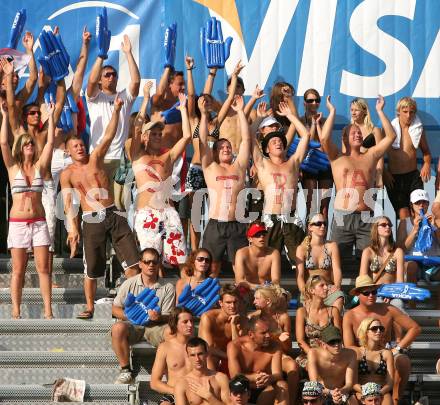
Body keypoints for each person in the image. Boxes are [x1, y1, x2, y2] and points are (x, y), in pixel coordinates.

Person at [60, 97, 140, 319]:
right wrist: (72, 229)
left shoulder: (95, 158)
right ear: (68, 152)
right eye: (75, 146)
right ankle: (90, 307)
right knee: (92, 268)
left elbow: (109, 135)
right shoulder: (67, 175)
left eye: (82, 144)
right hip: (91, 218)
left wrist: (115, 110)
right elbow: (68, 203)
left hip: (113, 212)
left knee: (133, 263)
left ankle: (131, 304)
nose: (80, 147)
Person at [319, 95, 396, 266]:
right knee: (333, 262)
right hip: (342, 217)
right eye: (353, 133)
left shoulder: (370, 156)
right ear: (345, 138)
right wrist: (332, 112)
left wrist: (380, 111)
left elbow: (391, 137)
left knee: (370, 263)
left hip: (366, 218)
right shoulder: (337, 157)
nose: (358, 135)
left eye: (360, 133)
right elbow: (324, 139)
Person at [1, 99, 55, 319]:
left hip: (39, 222)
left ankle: (48, 310)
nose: (29, 146)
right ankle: (16, 309)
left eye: (31, 143)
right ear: (20, 148)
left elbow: (50, 143)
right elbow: (4, 144)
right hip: (18, 224)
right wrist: (5, 116)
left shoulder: (40, 166)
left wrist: (50, 117)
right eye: (25, 144)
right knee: (18, 270)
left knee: (43, 268)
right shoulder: (12, 167)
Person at [186, 59, 244, 250]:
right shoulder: (195, 119)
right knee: (195, 212)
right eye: (203, 102)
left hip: (213, 171)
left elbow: (228, 101)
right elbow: (193, 95)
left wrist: (234, 76)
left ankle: (218, 243)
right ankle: (195, 249)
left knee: (217, 209)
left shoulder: (216, 122)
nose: (206, 103)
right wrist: (189, 70)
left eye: (208, 101)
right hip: (196, 168)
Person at [131, 92, 191, 268]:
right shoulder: (137, 155)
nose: (157, 136)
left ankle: (183, 293)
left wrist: (184, 110)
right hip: (146, 212)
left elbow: (187, 137)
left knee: (180, 260)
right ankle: (151, 293)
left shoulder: (168, 155)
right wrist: (145, 102)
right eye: (153, 133)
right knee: (150, 260)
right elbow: (136, 127)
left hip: (168, 211)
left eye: (159, 133)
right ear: (144, 136)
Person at [343, 275, 421, 404]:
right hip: (361, 358)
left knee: (403, 360)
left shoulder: (388, 309)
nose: (371, 295)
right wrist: (369, 353)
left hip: (386, 354)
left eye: (374, 292)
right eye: (366, 292)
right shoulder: (349, 315)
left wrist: (398, 348)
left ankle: (395, 399)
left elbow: (415, 328)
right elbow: (349, 347)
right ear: (357, 294)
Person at [251, 100, 310, 267]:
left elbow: (305, 135)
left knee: (301, 262)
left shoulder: (293, 163)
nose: (277, 142)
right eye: (273, 141)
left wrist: (291, 116)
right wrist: (259, 119)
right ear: (267, 149)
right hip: (270, 219)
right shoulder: (262, 164)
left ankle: (304, 292)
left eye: (280, 141)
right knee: (266, 263)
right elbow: (248, 136)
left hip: (291, 218)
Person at [86, 34, 140, 209]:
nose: (111, 77)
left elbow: (136, 81)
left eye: (114, 75)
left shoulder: (124, 96)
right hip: (98, 158)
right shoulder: (94, 98)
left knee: (121, 206)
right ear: (101, 80)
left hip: (120, 159)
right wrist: (101, 57)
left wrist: (128, 53)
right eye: (107, 75)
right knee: (99, 204)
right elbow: (91, 81)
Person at [199, 95, 251, 277]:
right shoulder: (210, 167)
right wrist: (204, 115)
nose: (226, 149)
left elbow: (245, 140)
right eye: (221, 147)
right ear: (214, 153)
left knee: (240, 268)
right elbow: (203, 141)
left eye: (228, 147)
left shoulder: (239, 167)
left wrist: (240, 113)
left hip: (238, 224)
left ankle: (242, 300)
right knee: (212, 268)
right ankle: (209, 301)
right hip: (216, 224)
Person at [111, 248, 175, 384]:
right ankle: (125, 371)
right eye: (147, 262)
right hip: (133, 325)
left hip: (156, 326)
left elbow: (169, 316)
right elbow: (115, 308)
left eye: (154, 262)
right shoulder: (129, 283)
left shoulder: (168, 287)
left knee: (171, 332)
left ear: (159, 264)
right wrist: (130, 316)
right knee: (117, 328)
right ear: (140, 264)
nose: (151, 265)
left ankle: (170, 373)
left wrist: (159, 317)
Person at [249, 286, 300, 402]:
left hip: (279, 354)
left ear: (267, 301)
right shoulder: (253, 317)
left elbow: (289, 349)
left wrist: (283, 341)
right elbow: (252, 343)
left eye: (257, 298)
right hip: (261, 354)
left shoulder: (282, 317)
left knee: (293, 366)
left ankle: (291, 401)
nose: (253, 301)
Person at [384, 97, 432, 220]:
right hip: (394, 179)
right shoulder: (389, 130)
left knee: (417, 214)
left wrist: (426, 164)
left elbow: (426, 152)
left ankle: (420, 239)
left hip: (413, 178)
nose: (408, 115)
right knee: (404, 216)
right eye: (405, 112)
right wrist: (385, 172)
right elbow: (377, 153)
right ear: (398, 112)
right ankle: (404, 240)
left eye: (412, 112)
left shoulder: (417, 130)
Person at [227, 317, 289, 405]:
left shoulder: (275, 346)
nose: (268, 335)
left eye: (268, 331)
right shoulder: (235, 346)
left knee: (282, 385)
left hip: (264, 391)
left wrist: (268, 378)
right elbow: (234, 376)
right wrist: (255, 377)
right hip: (241, 390)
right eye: (263, 333)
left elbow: (278, 374)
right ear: (251, 334)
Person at [295, 213, 344, 312]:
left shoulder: (331, 246)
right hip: (310, 289)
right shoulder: (302, 249)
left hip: (327, 288)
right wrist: (304, 292)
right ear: (310, 227)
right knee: (309, 308)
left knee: (339, 298)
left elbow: (337, 270)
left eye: (324, 224)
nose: (322, 226)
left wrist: (337, 286)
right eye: (318, 223)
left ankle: (335, 326)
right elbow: (299, 275)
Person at [295, 275, 342, 369]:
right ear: (312, 290)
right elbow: (300, 340)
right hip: (308, 354)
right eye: (322, 285)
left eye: (327, 285)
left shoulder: (333, 311)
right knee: (313, 365)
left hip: (330, 353)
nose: (326, 288)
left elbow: (338, 336)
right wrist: (312, 354)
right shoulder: (302, 312)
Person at [199, 284, 248, 372]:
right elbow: (207, 347)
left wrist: (233, 325)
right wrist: (230, 356)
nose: (232, 306)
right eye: (228, 302)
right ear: (221, 303)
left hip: (231, 358)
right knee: (209, 357)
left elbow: (238, 348)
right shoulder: (208, 317)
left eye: (235, 302)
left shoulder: (242, 320)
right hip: (215, 356)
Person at [300, 88, 333, 219]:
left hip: (324, 164)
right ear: (304, 103)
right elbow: (308, 142)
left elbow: (325, 143)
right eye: (310, 100)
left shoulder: (324, 121)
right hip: (308, 166)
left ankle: (322, 239)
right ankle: (309, 239)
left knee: (324, 208)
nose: (314, 103)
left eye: (317, 100)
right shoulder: (300, 121)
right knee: (311, 206)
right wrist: (313, 124)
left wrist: (318, 123)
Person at [151, 307, 194, 405]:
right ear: (175, 324)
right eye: (185, 322)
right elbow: (154, 383)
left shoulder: (199, 346)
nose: (190, 325)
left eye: (191, 321)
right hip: (173, 393)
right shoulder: (165, 347)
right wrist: (178, 391)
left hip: (196, 393)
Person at [360, 217, 404, 309]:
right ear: (376, 228)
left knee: (398, 304)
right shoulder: (368, 251)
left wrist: (391, 294)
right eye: (384, 225)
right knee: (377, 304)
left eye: (389, 225)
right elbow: (362, 280)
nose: (387, 227)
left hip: (393, 293)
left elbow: (400, 281)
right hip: (374, 293)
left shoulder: (398, 251)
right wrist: (373, 293)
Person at [307, 325, 357, 405]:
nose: (336, 345)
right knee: (311, 398)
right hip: (321, 392)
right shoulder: (313, 353)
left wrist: (339, 392)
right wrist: (331, 392)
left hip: (342, 391)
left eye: (339, 341)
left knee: (353, 401)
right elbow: (314, 382)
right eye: (332, 342)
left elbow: (349, 383)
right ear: (323, 344)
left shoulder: (350, 354)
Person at [174, 337, 230, 405]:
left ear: (207, 354)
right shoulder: (182, 384)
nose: (197, 359)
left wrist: (209, 397)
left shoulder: (221, 378)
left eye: (200, 354)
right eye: (192, 355)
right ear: (188, 357)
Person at [343, 98, 384, 188]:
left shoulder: (375, 131)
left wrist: (379, 176)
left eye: (356, 110)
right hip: (352, 173)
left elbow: (380, 156)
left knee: (368, 201)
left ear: (365, 111)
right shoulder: (346, 130)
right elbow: (344, 154)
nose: (353, 113)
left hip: (370, 172)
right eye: (352, 110)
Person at [351, 318, 394, 405]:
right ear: (366, 331)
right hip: (361, 390)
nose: (378, 331)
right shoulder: (357, 353)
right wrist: (367, 392)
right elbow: (354, 383)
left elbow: (390, 383)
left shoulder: (387, 353)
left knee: (387, 401)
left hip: (382, 391)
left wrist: (378, 393)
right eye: (374, 329)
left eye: (381, 329)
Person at [234, 221, 281, 289]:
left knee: (283, 295)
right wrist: (258, 287)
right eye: (257, 235)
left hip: (267, 291)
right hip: (248, 290)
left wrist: (264, 290)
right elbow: (239, 281)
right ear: (250, 239)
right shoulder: (241, 253)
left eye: (264, 234)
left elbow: (276, 280)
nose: (261, 237)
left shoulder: (273, 253)